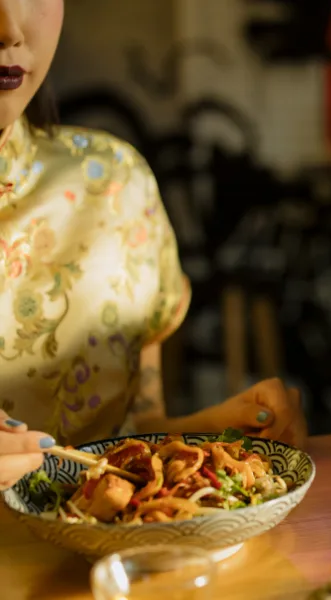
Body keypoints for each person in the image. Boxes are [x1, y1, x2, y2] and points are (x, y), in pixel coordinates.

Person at [0, 0, 305, 491]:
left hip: (108, 561)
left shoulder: (113, 184)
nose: (10, 28)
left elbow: (136, 432)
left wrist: (215, 436)